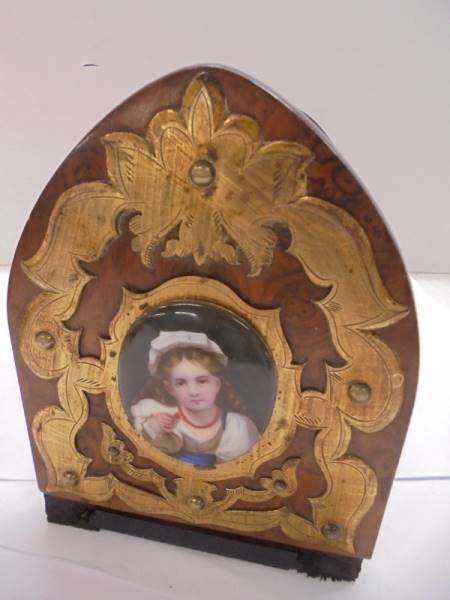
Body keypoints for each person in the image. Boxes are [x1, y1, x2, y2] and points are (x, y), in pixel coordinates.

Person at [130, 330, 260, 465]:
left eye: (202, 381)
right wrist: (156, 427)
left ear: (217, 384)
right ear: (169, 388)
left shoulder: (236, 427)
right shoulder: (159, 417)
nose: (193, 392)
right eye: (181, 383)